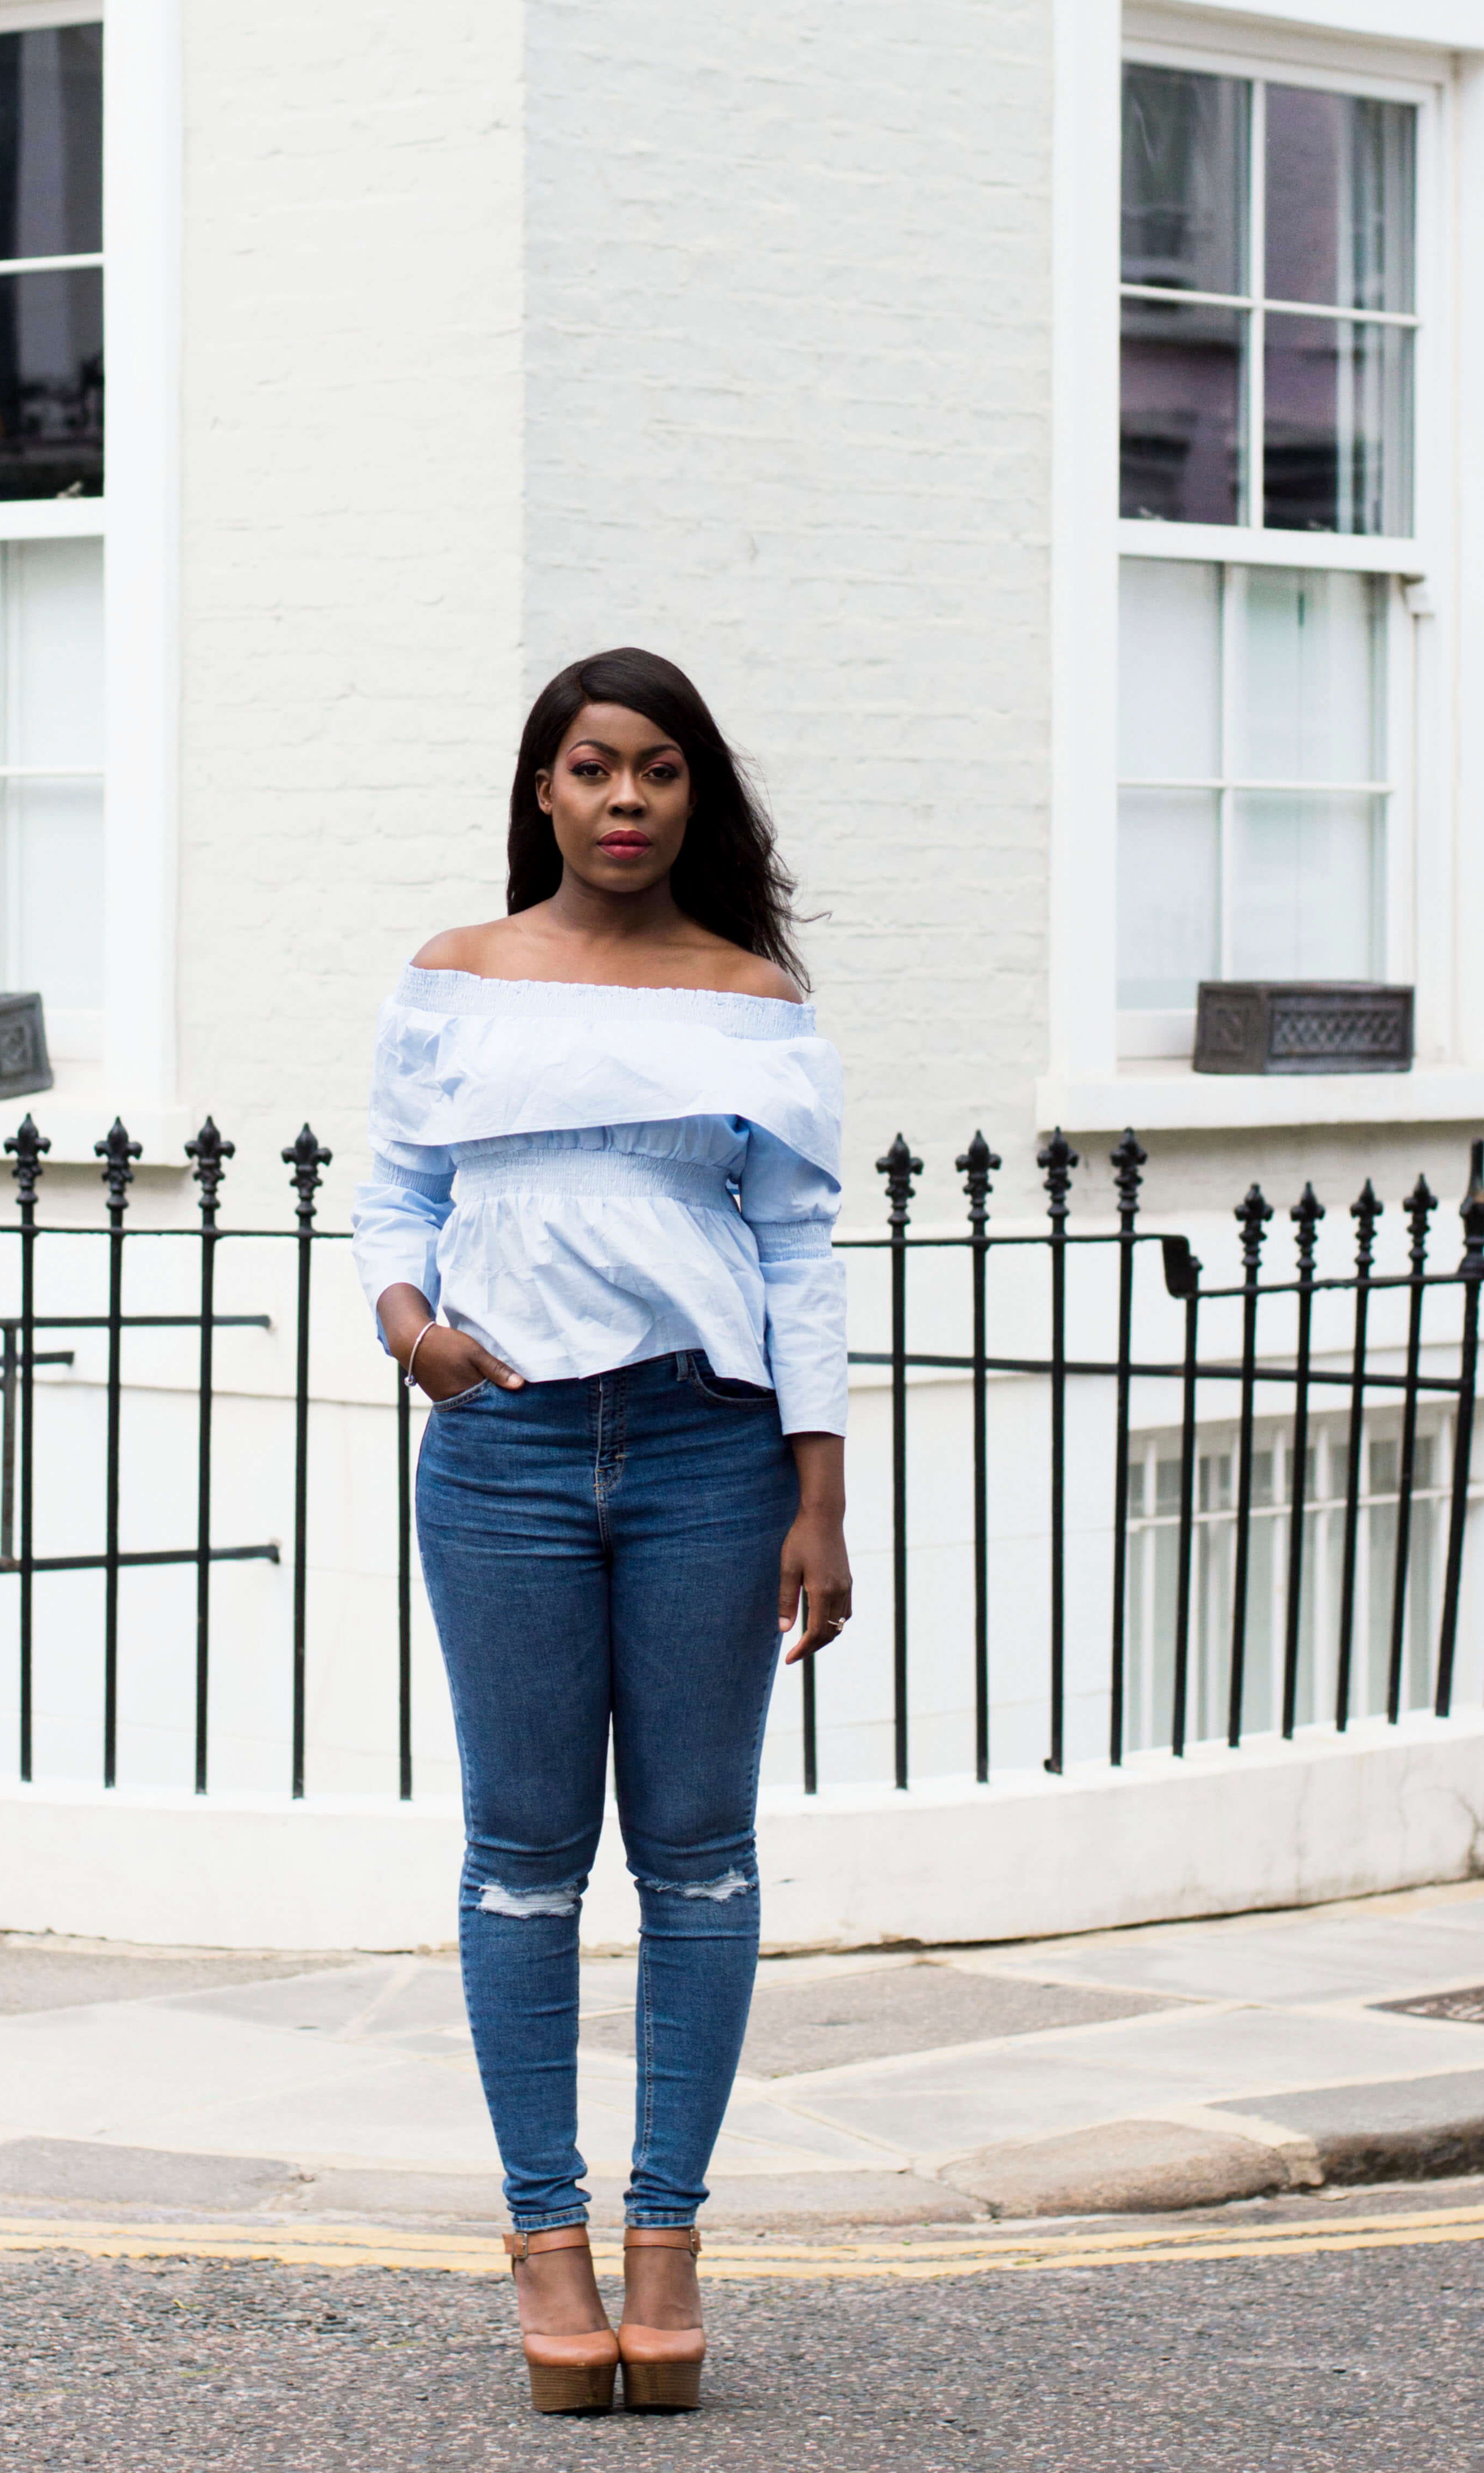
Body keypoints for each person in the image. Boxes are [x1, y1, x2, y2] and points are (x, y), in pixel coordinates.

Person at [352, 646, 851, 2415]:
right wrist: (415, 1334)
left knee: (702, 1861)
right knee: (522, 1862)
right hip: (504, 1448)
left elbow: (796, 1250)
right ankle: (546, 2243)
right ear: (541, 791)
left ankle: (668, 2245)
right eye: (590, 767)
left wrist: (820, 1492)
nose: (624, 799)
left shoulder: (750, 995)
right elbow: (397, 1192)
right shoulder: (456, 978)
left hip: (713, 1450)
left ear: (693, 795)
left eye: (656, 771)